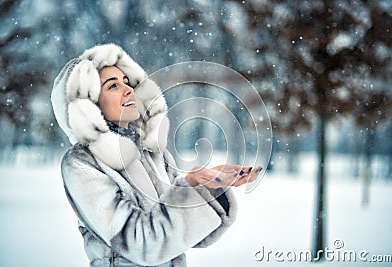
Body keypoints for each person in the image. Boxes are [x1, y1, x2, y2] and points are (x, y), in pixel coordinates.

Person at [51, 43, 263, 267]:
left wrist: (206, 185)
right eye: (113, 86)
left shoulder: (150, 153)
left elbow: (178, 235)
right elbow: (141, 244)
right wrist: (189, 185)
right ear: (89, 103)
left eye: (127, 82)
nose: (128, 90)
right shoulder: (81, 163)